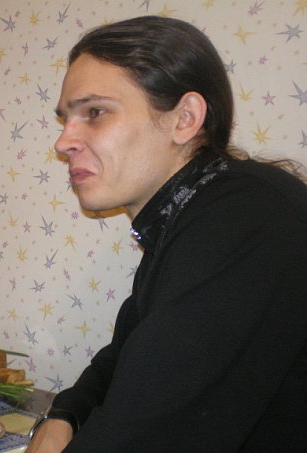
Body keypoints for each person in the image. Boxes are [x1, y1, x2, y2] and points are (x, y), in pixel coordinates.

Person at [26, 16, 307, 452]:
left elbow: (147, 434)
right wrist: (65, 413)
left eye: (94, 112)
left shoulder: (247, 218)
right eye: (66, 119)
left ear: (185, 118)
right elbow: (126, 356)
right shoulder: (184, 218)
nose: (63, 142)